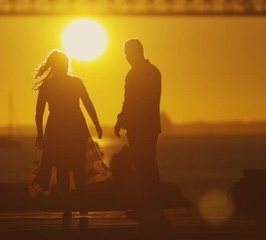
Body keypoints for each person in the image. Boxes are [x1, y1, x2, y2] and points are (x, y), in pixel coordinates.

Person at [32, 49, 103, 219]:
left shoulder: (49, 85)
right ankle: (78, 205)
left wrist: (41, 134)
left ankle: (69, 206)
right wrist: (96, 125)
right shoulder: (73, 82)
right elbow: (88, 104)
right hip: (73, 126)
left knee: (65, 167)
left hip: (58, 127)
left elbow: (39, 114)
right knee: (74, 166)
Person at [114, 39, 166, 227]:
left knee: (144, 166)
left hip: (140, 127)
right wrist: (122, 119)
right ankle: (151, 205)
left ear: (136, 53)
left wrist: (122, 119)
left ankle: (148, 206)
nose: (126, 58)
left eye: (127, 54)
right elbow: (131, 101)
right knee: (147, 165)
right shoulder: (153, 72)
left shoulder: (136, 74)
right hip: (148, 126)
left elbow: (131, 101)